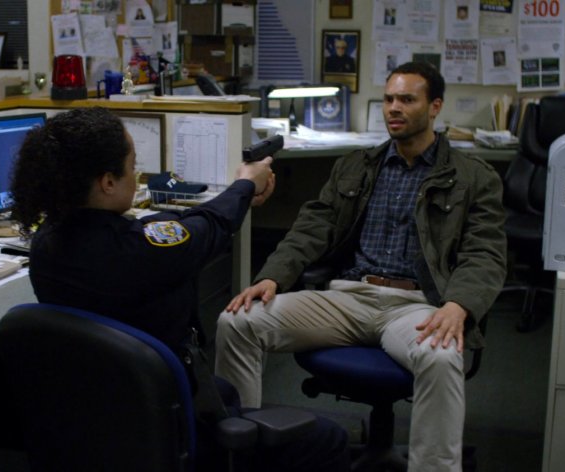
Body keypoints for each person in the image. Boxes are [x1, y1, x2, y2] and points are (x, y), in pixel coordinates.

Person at [10, 107, 350, 472]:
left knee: (226, 392)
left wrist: (238, 194)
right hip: (165, 427)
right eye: (131, 165)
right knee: (330, 438)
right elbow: (206, 229)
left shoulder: (47, 242)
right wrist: (245, 184)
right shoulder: (139, 252)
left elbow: (171, 228)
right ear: (108, 182)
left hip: (91, 426)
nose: (136, 174)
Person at [214, 62, 507, 471]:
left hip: (418, 306)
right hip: (349, 297)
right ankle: (242, 455)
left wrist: (460, 304)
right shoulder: (357, 166)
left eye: (407, 99)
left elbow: (486, 253)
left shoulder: (473, 177)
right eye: (389, 99)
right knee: (238, 321)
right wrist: (271, 277)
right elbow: (312, 227)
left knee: (441, 359)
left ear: (435, 106)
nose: (394, 108)